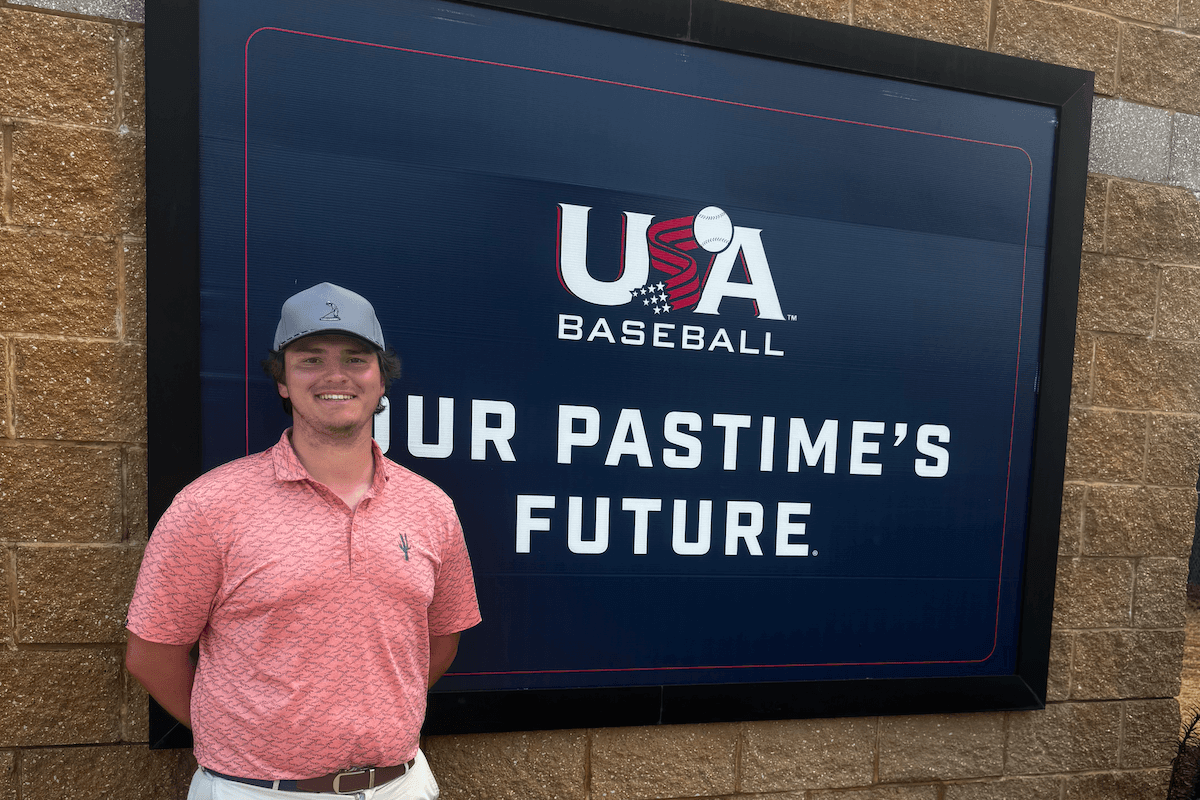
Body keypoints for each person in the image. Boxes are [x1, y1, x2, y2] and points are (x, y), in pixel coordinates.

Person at [126, 282, 481, 799]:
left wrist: (376, 711)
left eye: (357, 359)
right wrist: (243, 740)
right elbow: (151, 655)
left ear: (382, 381)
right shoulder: (211, 505)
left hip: (398, 786)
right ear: (283, 383)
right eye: (310, 360)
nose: (335, 376)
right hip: (254, 790)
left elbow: (442, 639)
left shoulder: (430, 506)